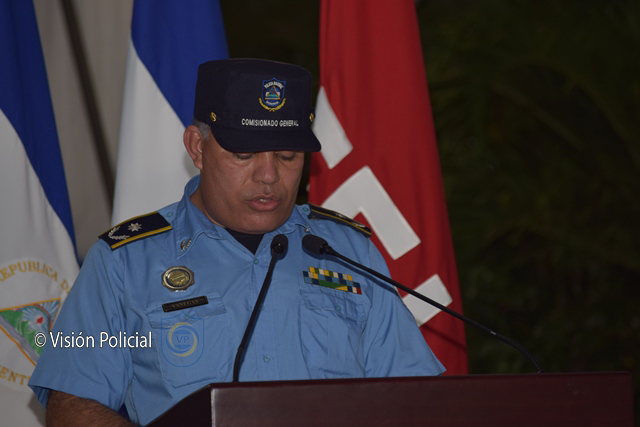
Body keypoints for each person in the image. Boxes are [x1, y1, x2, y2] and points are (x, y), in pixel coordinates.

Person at [29, 59, 444, 426]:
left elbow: (418, 400)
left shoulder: (349, 253)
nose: (269, 176)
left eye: (287, 156)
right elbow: (71, 404)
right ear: (198, 147)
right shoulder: (121, 264)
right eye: (244, 155)